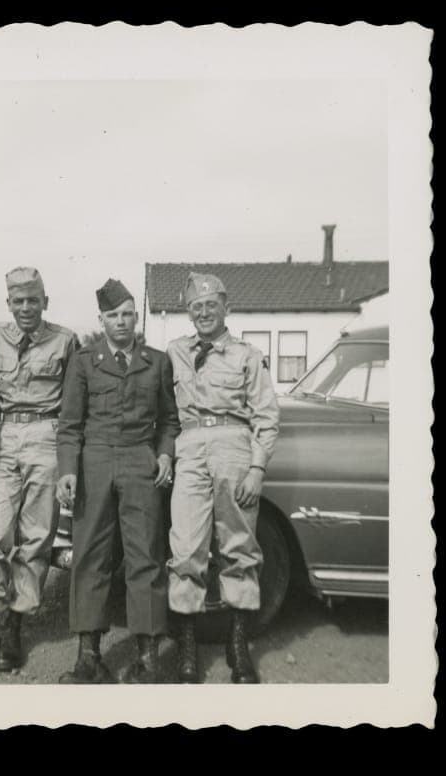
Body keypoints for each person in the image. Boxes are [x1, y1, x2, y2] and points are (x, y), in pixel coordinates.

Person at [56, 279, 180, 684]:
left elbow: (169, 421)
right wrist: (68, 470)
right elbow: (70, 425)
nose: (121, 321)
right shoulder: (84, 361)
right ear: (102, 320)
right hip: (94, 461)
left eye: (128, 314)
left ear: (136, 317)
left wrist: (164, 452)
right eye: (113, 315)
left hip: (139, 459)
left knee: (145, 555)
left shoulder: (157, 362)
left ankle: (148, 659)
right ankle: (88, 657)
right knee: (90, 555)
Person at [166, 272, 280, 684]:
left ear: (226, 308)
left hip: (234, 445)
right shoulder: (175, 352)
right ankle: (188, 651)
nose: (202, 313)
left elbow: (266, 417)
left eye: (210, 306)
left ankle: (238, 646)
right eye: (195, 307)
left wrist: (256, 467)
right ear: (189, 312)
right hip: (190, 448)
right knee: (185, 548)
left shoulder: (247, 356)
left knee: (238, 547)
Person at [0, 267, 77, 681]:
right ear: (8, 303)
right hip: (7, 437)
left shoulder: (65, 341)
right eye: (18, 301)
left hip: (47, 435)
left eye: (33, 300)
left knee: (35, 538)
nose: (26, 308)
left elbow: (73, 403)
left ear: (45, 301)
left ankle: (14, 624)